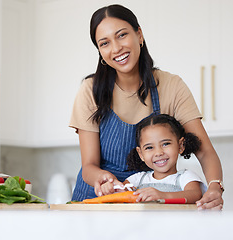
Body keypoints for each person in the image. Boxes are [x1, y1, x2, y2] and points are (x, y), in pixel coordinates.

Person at [69, 4, 224, 210]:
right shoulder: (91, 90)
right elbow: (89, 166)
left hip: (150, 204)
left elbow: (205, 151)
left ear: (139, 35)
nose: (116, 48)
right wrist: (105, 179)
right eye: (105, 43)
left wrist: (215, 186)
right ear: (100, 51)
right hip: (97, 202)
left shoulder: (171, 86)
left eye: (122, 35)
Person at [101, 114, 206, 204]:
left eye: (165, 144)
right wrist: (111, 189)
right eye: (149, 147)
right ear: (140, 154)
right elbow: (121, 192)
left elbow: (195, 194)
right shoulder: (137, 179)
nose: (159, 153)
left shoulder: (185, 177)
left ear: (180, 146)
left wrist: (162, 195)